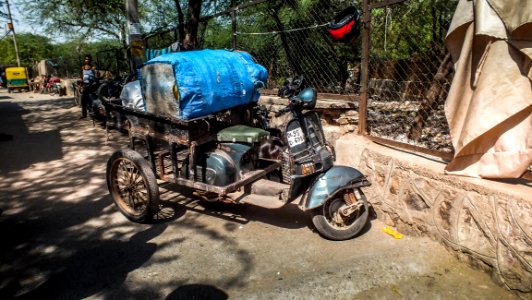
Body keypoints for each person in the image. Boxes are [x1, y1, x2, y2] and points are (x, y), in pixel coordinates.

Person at [80, 54, 98, 119]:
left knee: (90, 100)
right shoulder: (83, 67)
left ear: (90, 60)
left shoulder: (93, 67)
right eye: (86, 59)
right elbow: (82, 77)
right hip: (85, 85)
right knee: (83, 100)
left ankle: (93, 113)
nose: (87, 60)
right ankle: (84, 114)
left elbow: (96, 76)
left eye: (88, 59)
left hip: (91, 86)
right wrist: (80, 86)